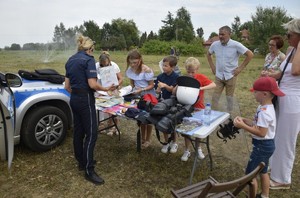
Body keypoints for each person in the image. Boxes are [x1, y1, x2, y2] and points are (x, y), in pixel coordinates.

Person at [64, 34, 115, 185]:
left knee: (79, 132)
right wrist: (106, 88)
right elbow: (92, 84)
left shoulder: (70, 60)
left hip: (74, 99)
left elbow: (67, 87)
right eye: (93, 49)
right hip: (86, 99)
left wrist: (78, 94)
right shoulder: (89, 60)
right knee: (92, 134)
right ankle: (89, 169)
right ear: (90, 49)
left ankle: (81, 161)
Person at [261, 19, 300, 190]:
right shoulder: (292, 50)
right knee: (275, 134)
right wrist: (269, 76)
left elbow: (296, 70)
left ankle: (282, 178)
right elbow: (283, 73)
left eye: (290, 34)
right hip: (281, 95)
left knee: (286, 139)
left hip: (293, 100)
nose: (287, 37)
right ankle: (272, 167)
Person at [233, 76, 285, 198]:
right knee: (263, 170)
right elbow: (258, 125)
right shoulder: (264, 107)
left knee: (250, 175)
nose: (254, 94)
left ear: (264, 94)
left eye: (255, 92)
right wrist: (246, 121)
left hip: (261, 146)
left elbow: (261, 133)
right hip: (267, 146)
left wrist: (242, 126)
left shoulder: (264, 112)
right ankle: (265, 196)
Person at [173, 57, 216, 161]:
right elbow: (174, 93)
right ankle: (187, 150)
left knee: (199, 129)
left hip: (199, 107)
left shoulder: (201, 77)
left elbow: (213, 84)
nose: (191, 74)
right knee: (187, 130)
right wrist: (178, 85)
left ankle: (198, 148)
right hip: (187, 108)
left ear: (197, 69)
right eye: (189, 72)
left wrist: (201, 88)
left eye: (193, 72)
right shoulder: (185, 78)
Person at [207, 25, 253, 112]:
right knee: (215, 98)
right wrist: (212, 67)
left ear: (229, 34)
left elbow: (250, 54)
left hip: (231, 75)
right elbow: (208, 54)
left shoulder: (236, 45)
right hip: (219, 76)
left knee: (229, 98)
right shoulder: (215, 45)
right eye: (219, 34)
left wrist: (240, 68)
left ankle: (229, 116)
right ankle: (213, 114)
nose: (220, 36)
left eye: (223, 34)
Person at [125, 49, 156, 149]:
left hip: (148, 96)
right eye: (131, 63)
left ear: (140, 60)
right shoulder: (130, 70)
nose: (133, 65)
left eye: (135, 62)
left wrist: (142, 89)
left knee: (149, 118)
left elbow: (151, 85)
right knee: (141, 118)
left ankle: (148, 139)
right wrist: (131, 89)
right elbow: (132, 83)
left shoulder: (146, 70)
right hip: (138, 96)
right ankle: (142, 138)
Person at [154, 55, 179, 153]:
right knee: (162, 123)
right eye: (163, 65)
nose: (164, 67)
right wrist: (159, 88)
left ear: (172, 67)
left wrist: (165, 85)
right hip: (162, 103)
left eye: (166, 66)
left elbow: (173, 90)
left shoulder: (176, 77)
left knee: (172, 124)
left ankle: (174, 143)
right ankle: (166, 142)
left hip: (172, 103)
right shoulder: (160, 76)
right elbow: (156, 91)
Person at [96, 51, 123, 136]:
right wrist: (100, 89)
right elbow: (93, 80)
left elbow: (121, 78)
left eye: (106, 65)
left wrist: (117, 85)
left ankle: (113, 127)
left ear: (109, 61)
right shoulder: (96, 66)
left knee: (113, 109)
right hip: (101, 91)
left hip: (112, 89)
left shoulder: (114, 65)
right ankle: (101, 126)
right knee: (101, 110)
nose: (104, 66)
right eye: (102, 65)